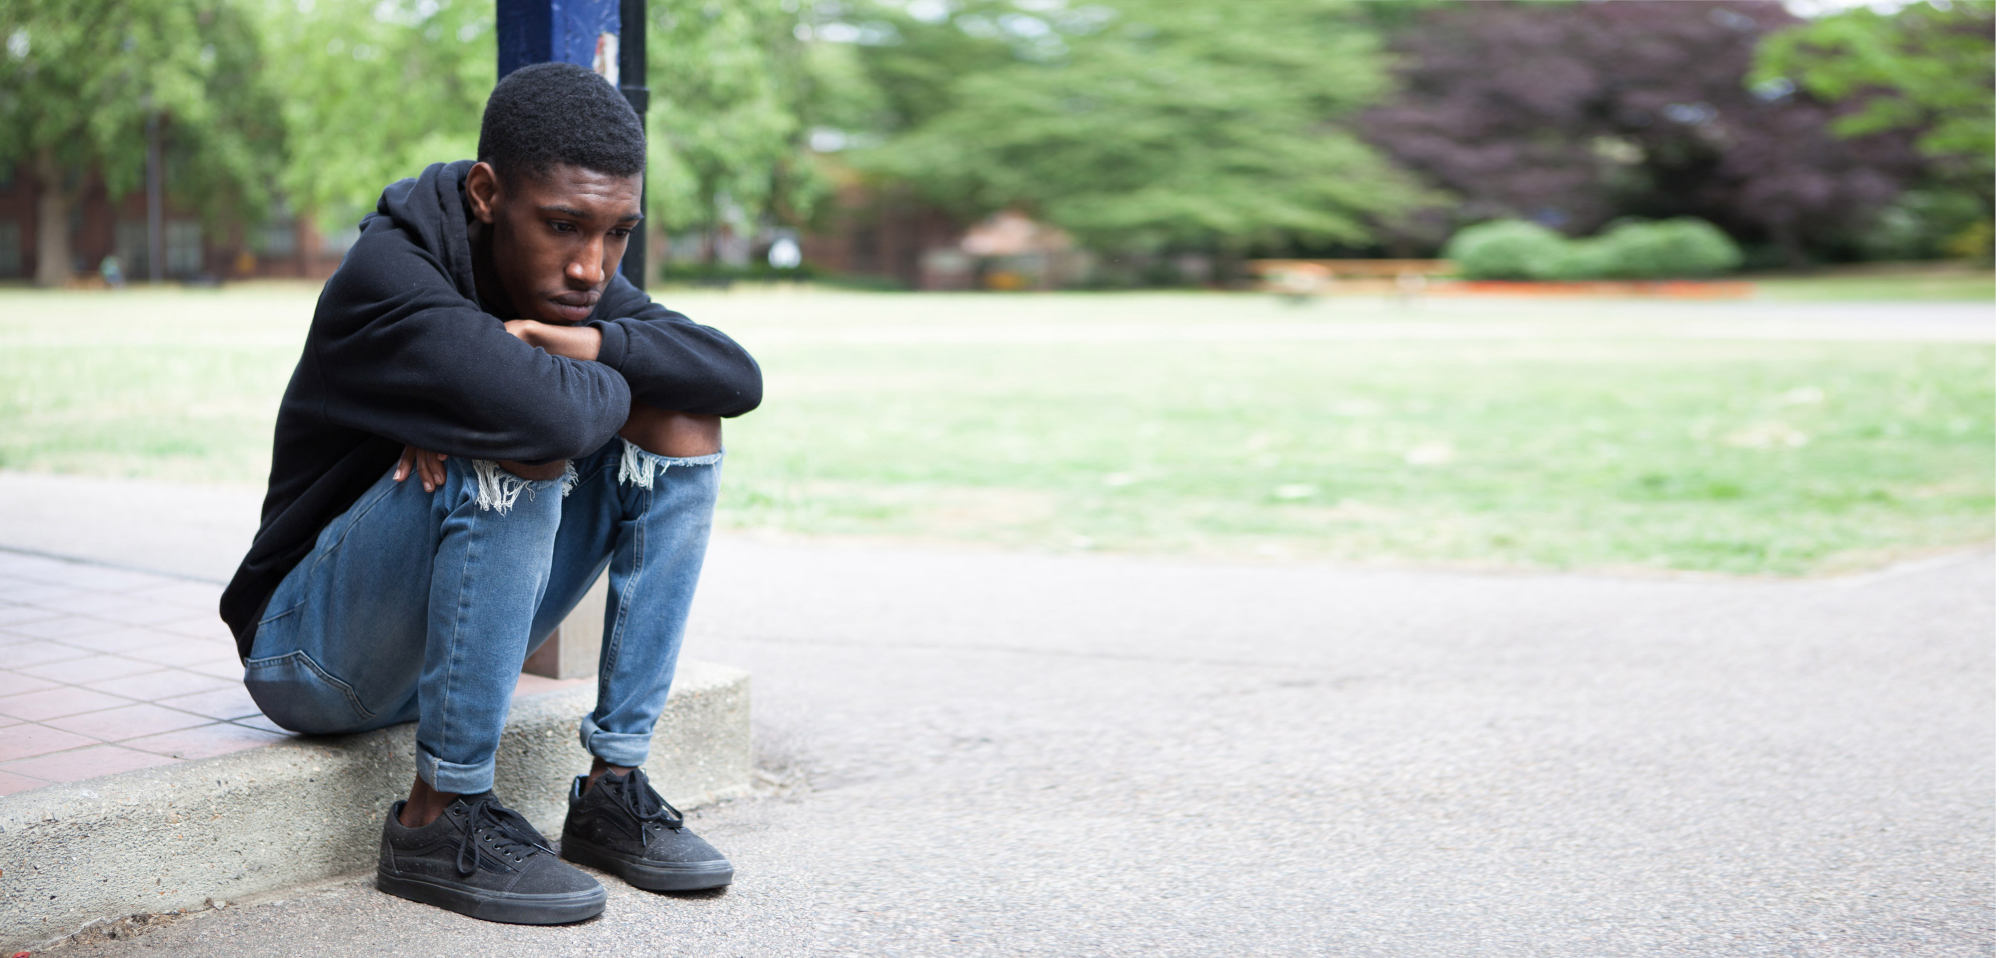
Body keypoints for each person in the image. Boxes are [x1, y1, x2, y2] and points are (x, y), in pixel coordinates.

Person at [218, 62, 762, 925]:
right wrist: (552, 385)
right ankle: (441, 815)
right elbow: (546, 422)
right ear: (485, 194)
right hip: (308, 656)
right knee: (530, 441)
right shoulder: (387, 276)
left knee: (685, 424)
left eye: (619, 234)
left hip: (450, 632)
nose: (591, 267)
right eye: (564, 227)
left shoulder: (560, 276)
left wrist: (579, 352)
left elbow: (735, 374)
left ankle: (615, 786)